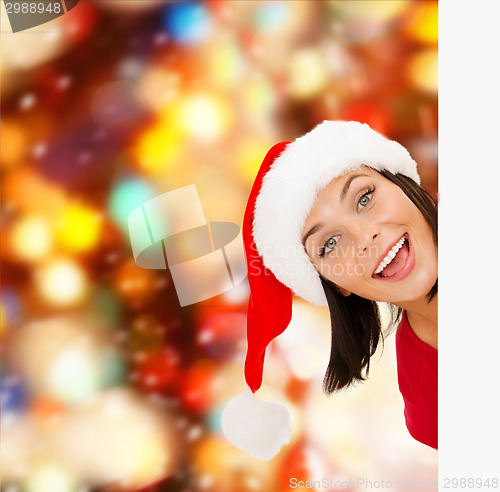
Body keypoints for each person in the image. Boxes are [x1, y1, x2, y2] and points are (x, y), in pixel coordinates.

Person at [222, 120, 437, 460]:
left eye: (365, 198)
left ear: (406, 184)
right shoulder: (429, 403)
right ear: (335, 285)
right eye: (330, 244)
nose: (365, 237)